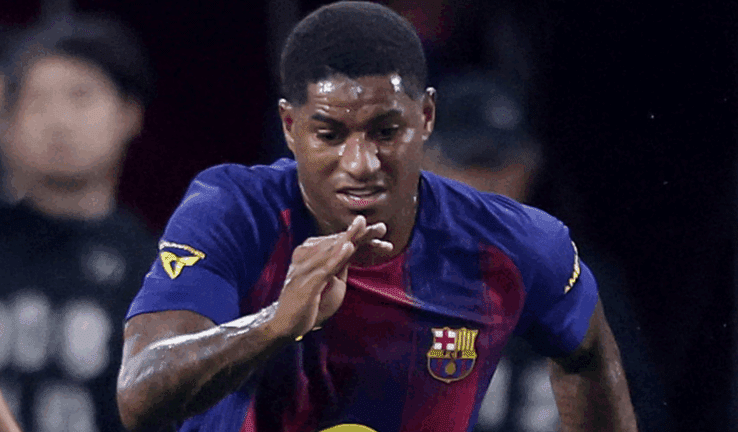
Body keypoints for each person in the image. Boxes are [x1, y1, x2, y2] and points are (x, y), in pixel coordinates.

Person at [117, 2, 638, 431]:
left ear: (426, 117)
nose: (361, 163)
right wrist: (272, 324)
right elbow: (139, 395)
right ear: (290, 126)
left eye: (386, 132)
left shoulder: (514, 243)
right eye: (329, 134)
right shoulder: (234, 212)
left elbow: (588, 355)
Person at [423, 73, 671, 432]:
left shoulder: (580, 281)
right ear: (423, 162)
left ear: (532, 165)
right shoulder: (377, 276)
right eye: (467, 162)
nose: (487, 183)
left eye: (502, 163)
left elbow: (640, 415)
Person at [0, 14, 156, 432]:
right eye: (36, 101)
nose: (59, 121)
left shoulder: (153, 268)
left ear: (129, 114)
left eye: (80, 97)